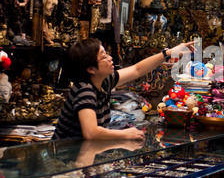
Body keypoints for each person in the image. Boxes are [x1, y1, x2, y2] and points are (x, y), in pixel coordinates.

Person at [53, 38, 195, 140]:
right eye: (103, 56)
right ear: (90, 69)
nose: (110, 58)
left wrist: (168, 53)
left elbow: (137, 69)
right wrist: (125, 134)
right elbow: (91, 133)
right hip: (62, 159)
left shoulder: (103, 82)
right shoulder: (85, 91)